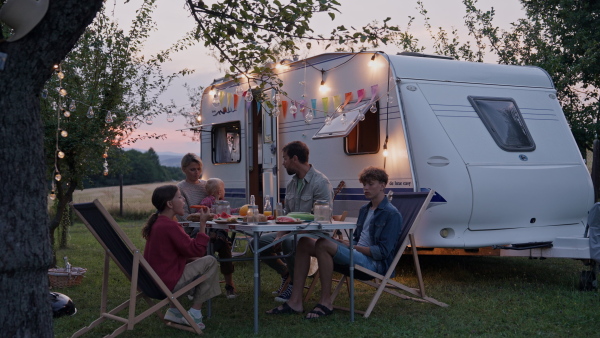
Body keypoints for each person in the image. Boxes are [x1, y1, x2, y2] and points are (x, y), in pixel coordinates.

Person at [267, 166, 402, 319]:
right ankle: (295, 302)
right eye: (364, 184)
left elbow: (382, 252)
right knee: (304, 242)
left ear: (383, 185)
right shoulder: (365, 209)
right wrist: (345, 243)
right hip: (356, 253)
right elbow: (359, 238)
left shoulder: (392, 214)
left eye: (370, 184)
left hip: (373, 264)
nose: (366, 188)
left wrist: (352, 246)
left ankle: (326, 303)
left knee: (323, 244)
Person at [256, 141, 333, 302]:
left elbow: (322, 220)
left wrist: (286, 236)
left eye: (285, 159)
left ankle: (294, 286)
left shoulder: (320, 182)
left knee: (290, 242)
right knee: (257, 243)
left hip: (316, 234)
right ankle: (286, 273)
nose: (283, 163)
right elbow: (287, 216)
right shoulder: (292, 184)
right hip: (292, 232)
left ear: (295, 159)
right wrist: (279, 235)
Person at [142, 185, 221, 329]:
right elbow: (197, 250)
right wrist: (202, 224)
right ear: (170, 204)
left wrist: (192, 260)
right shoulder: (170, 226)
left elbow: (174, 254)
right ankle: (195, 313)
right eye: (179, 197)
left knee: (198, 261)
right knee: (210, 261)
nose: (183, 199)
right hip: (166, 283)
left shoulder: (158, 223)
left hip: (154, 281)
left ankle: (174, 311)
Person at [200, 178, 238, 299]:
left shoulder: (223, 203)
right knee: (226, 252)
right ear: (219, 191)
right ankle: (229, 286)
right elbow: (201, 213)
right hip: (210, 233)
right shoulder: (207, 202)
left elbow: (228, 214)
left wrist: (236, 211)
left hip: (215, 237)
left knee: (224, 246)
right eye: (223, 189)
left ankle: (228, 285)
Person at [176, 153, 207, 223]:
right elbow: (183, 214)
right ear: (184, 169)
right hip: (192, 227)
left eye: (199, 169)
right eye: (192, 170)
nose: (197, 172)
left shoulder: (206, 185)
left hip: (210, 223)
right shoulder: (180, 188)